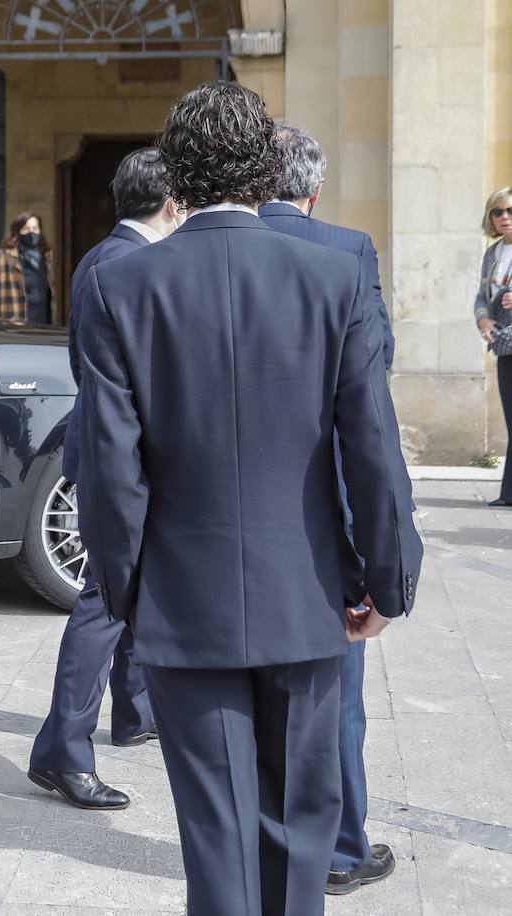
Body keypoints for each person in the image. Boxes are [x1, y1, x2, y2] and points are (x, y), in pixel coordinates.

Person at [77, 81, 423, 916]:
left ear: (177, 176)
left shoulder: (121, 286)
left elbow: (108, 469)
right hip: (305, 595)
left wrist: (130, 592)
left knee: (216, 836)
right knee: (302, 834)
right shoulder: (335, 277)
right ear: (268, 171)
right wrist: (388, 580)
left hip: (183, 599)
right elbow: (372, 450)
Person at [261, 123, 404, 896]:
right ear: (314, 189)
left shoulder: (193, 253)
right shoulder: (347, 250)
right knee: (334, 693)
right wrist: (388, 567)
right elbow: (371, 380)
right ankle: (342, 849)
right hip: (325, 507)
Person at [27, 148, 180, 811]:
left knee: (131, 594)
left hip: (111, 449)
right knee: (105, 601)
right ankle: (64, 751)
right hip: (122, 459)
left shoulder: (100, 257)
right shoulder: (133, 265)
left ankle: (134, 712)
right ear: (172, 204)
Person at [474, 186, 512, 508]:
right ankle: (509, 492)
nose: (504, 217)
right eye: (498, 212)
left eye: (510, 211)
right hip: (503, 344)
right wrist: (482, 320)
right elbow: (480, 297)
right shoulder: (493, 254)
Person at [0, 211, 55, 324]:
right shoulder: (5, 257)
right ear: (18, 233)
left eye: (35, 228)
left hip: (43, 322)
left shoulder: (47, 257)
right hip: (15, 324)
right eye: (26, 229)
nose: (31, 232)